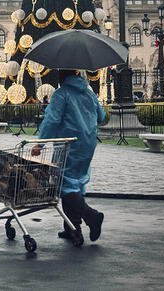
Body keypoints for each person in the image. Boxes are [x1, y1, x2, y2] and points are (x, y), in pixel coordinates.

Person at [37, 70, 105, 245]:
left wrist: (41, 144)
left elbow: (52, 121)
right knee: (77, 181)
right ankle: (71, 228)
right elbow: (102, 116)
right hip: (87, 142)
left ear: (62, 77)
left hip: (67, 143)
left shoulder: (62, 94)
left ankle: (92, 216)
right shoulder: (89, 92)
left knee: (65, 184)